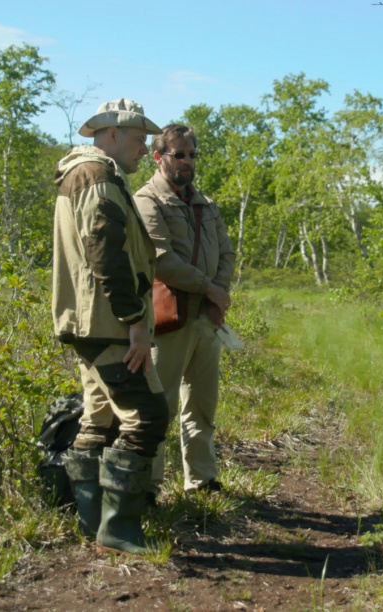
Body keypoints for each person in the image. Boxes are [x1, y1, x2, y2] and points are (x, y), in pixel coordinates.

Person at [52, 98, 169, 554]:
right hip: (105, 322)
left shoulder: (89, 174)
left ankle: (93, 523)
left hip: (91, 320)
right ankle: (118, 531)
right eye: (140, 140)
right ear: (112, 135)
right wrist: (136, 321)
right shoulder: (97, 176)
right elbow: (106, 253)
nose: (146, 149)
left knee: (99, 416)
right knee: (148, 416)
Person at [133, 124, 236, 496]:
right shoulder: (147, 201)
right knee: (159, 406)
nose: (188, 161)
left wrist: (218, 293)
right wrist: (209, 288)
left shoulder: (205, 204)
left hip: (206, 318)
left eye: (192, 154)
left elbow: (226, 251)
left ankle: (202, 479)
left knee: (203, 404)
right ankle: (148, 487)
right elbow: (160, 259)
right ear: (159, 157)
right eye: (179, 154)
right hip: (169, 318)